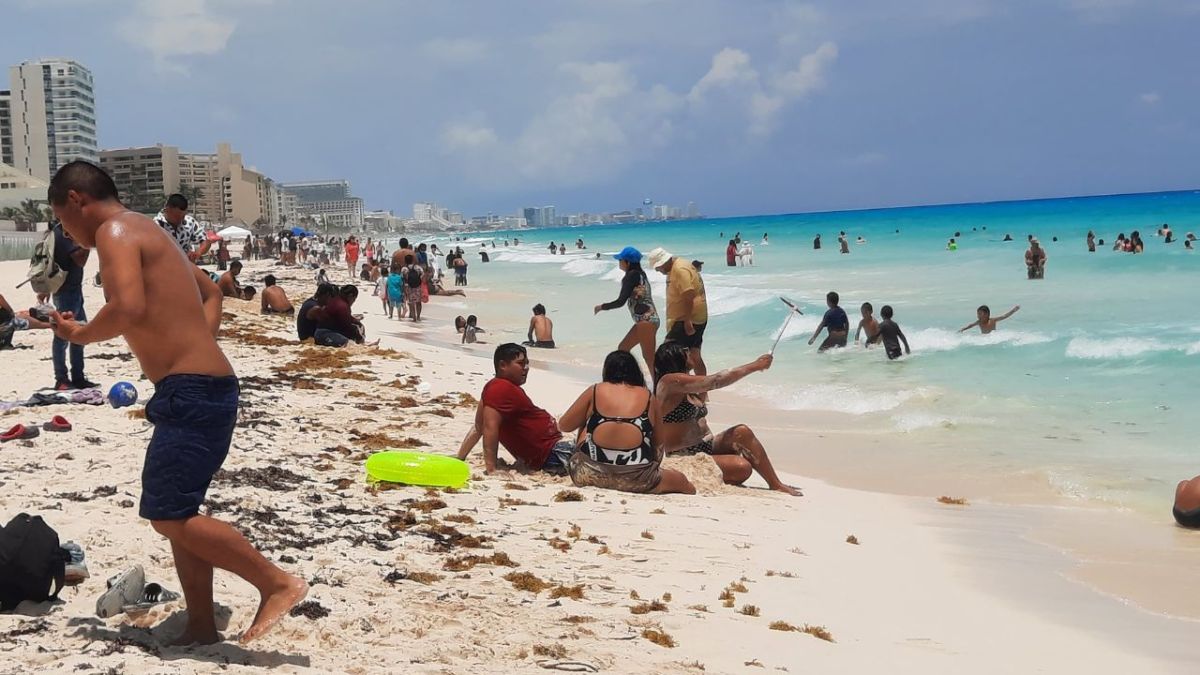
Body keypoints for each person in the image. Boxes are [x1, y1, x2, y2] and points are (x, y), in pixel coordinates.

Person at [46, 160, 306, 645]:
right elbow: (210, 291)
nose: (68, 232)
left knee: (167, 514)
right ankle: (202, 623)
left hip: (192, 391)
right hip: (198, 386)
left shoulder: (116, 231)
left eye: (63, 220)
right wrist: (194, 342)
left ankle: (276, 584)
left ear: (77, 200)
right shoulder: (152, 231)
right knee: (180, 514)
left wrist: (79, 334)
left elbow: (128, 308)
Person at [653, 343, 800, 496]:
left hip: (707, 446)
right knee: (742, 468)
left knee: (742, 432)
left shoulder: (687, 386)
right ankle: (717, 469)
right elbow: (716, 380)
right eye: (685, 350)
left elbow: (707, 378)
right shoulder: (668, 382)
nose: (689, 352)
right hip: (684, 456)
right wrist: (755, 366)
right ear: (674, 357)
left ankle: (775, 483)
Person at [557, 351, 695, 495]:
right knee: (683, 482)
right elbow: (659, 445)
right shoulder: (648, 397)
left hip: (587, 474)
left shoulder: (596, 390)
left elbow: (564, 426)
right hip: (638, 480)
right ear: (636, 372)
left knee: (587, 420)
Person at [456, 343, 575, 474]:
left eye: (527, 363)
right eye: (521, 363)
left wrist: (460, 457)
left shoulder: (493, 387)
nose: (527, 368)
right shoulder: (500, 388)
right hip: (554, 453)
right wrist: (491, 469)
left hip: (549, 453)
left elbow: (478, 427)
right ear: (503, 365)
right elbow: (490, 427)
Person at [594, 246, 660, 379]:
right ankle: (631, 379)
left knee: (649, 358)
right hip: (646, 320)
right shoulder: (640, 274)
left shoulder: (631, 276)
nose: (619, 262)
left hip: (646, 320)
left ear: (627, 262)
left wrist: (602, 307)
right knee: (623, 348)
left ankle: (659, 390)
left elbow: (620, 301)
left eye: (621, 260)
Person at [46, 218, 96, 390]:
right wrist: (88, 242)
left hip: (72, 290)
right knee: (63, 336)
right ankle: (62, 379)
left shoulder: (62, 232)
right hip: (66, 291)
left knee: (79, 333)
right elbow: (80, 260)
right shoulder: (64, 234)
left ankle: (77, 377)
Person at [646, 247, 708, 376]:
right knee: (694, 356)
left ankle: (676, 392)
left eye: (658, 267)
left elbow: (689, 294)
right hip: (696, 317)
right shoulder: (679, 265)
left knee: (668, 357)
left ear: (664, 262)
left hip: (686, 319)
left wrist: (687, 321)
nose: (657, 270)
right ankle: (701, 394)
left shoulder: (679, 270)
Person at [154, 193, 211, 262]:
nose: (180, 220)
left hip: (186, 266)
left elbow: (205, 241)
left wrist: (198, 252)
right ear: (167, 209)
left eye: (183, 216)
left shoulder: (189, 222)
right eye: (176, 216)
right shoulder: (155, 225)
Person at [400, 254, 424, 322]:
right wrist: (418, 280)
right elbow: (422, 275)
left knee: (411, 303)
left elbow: (402, 278)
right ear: (412, 260)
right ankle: (418, 316)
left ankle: (414, 318)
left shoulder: (404, 269)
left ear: (405, 261)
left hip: (409, 287)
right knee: (418, 302)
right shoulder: (418, 267)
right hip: (417, 286)